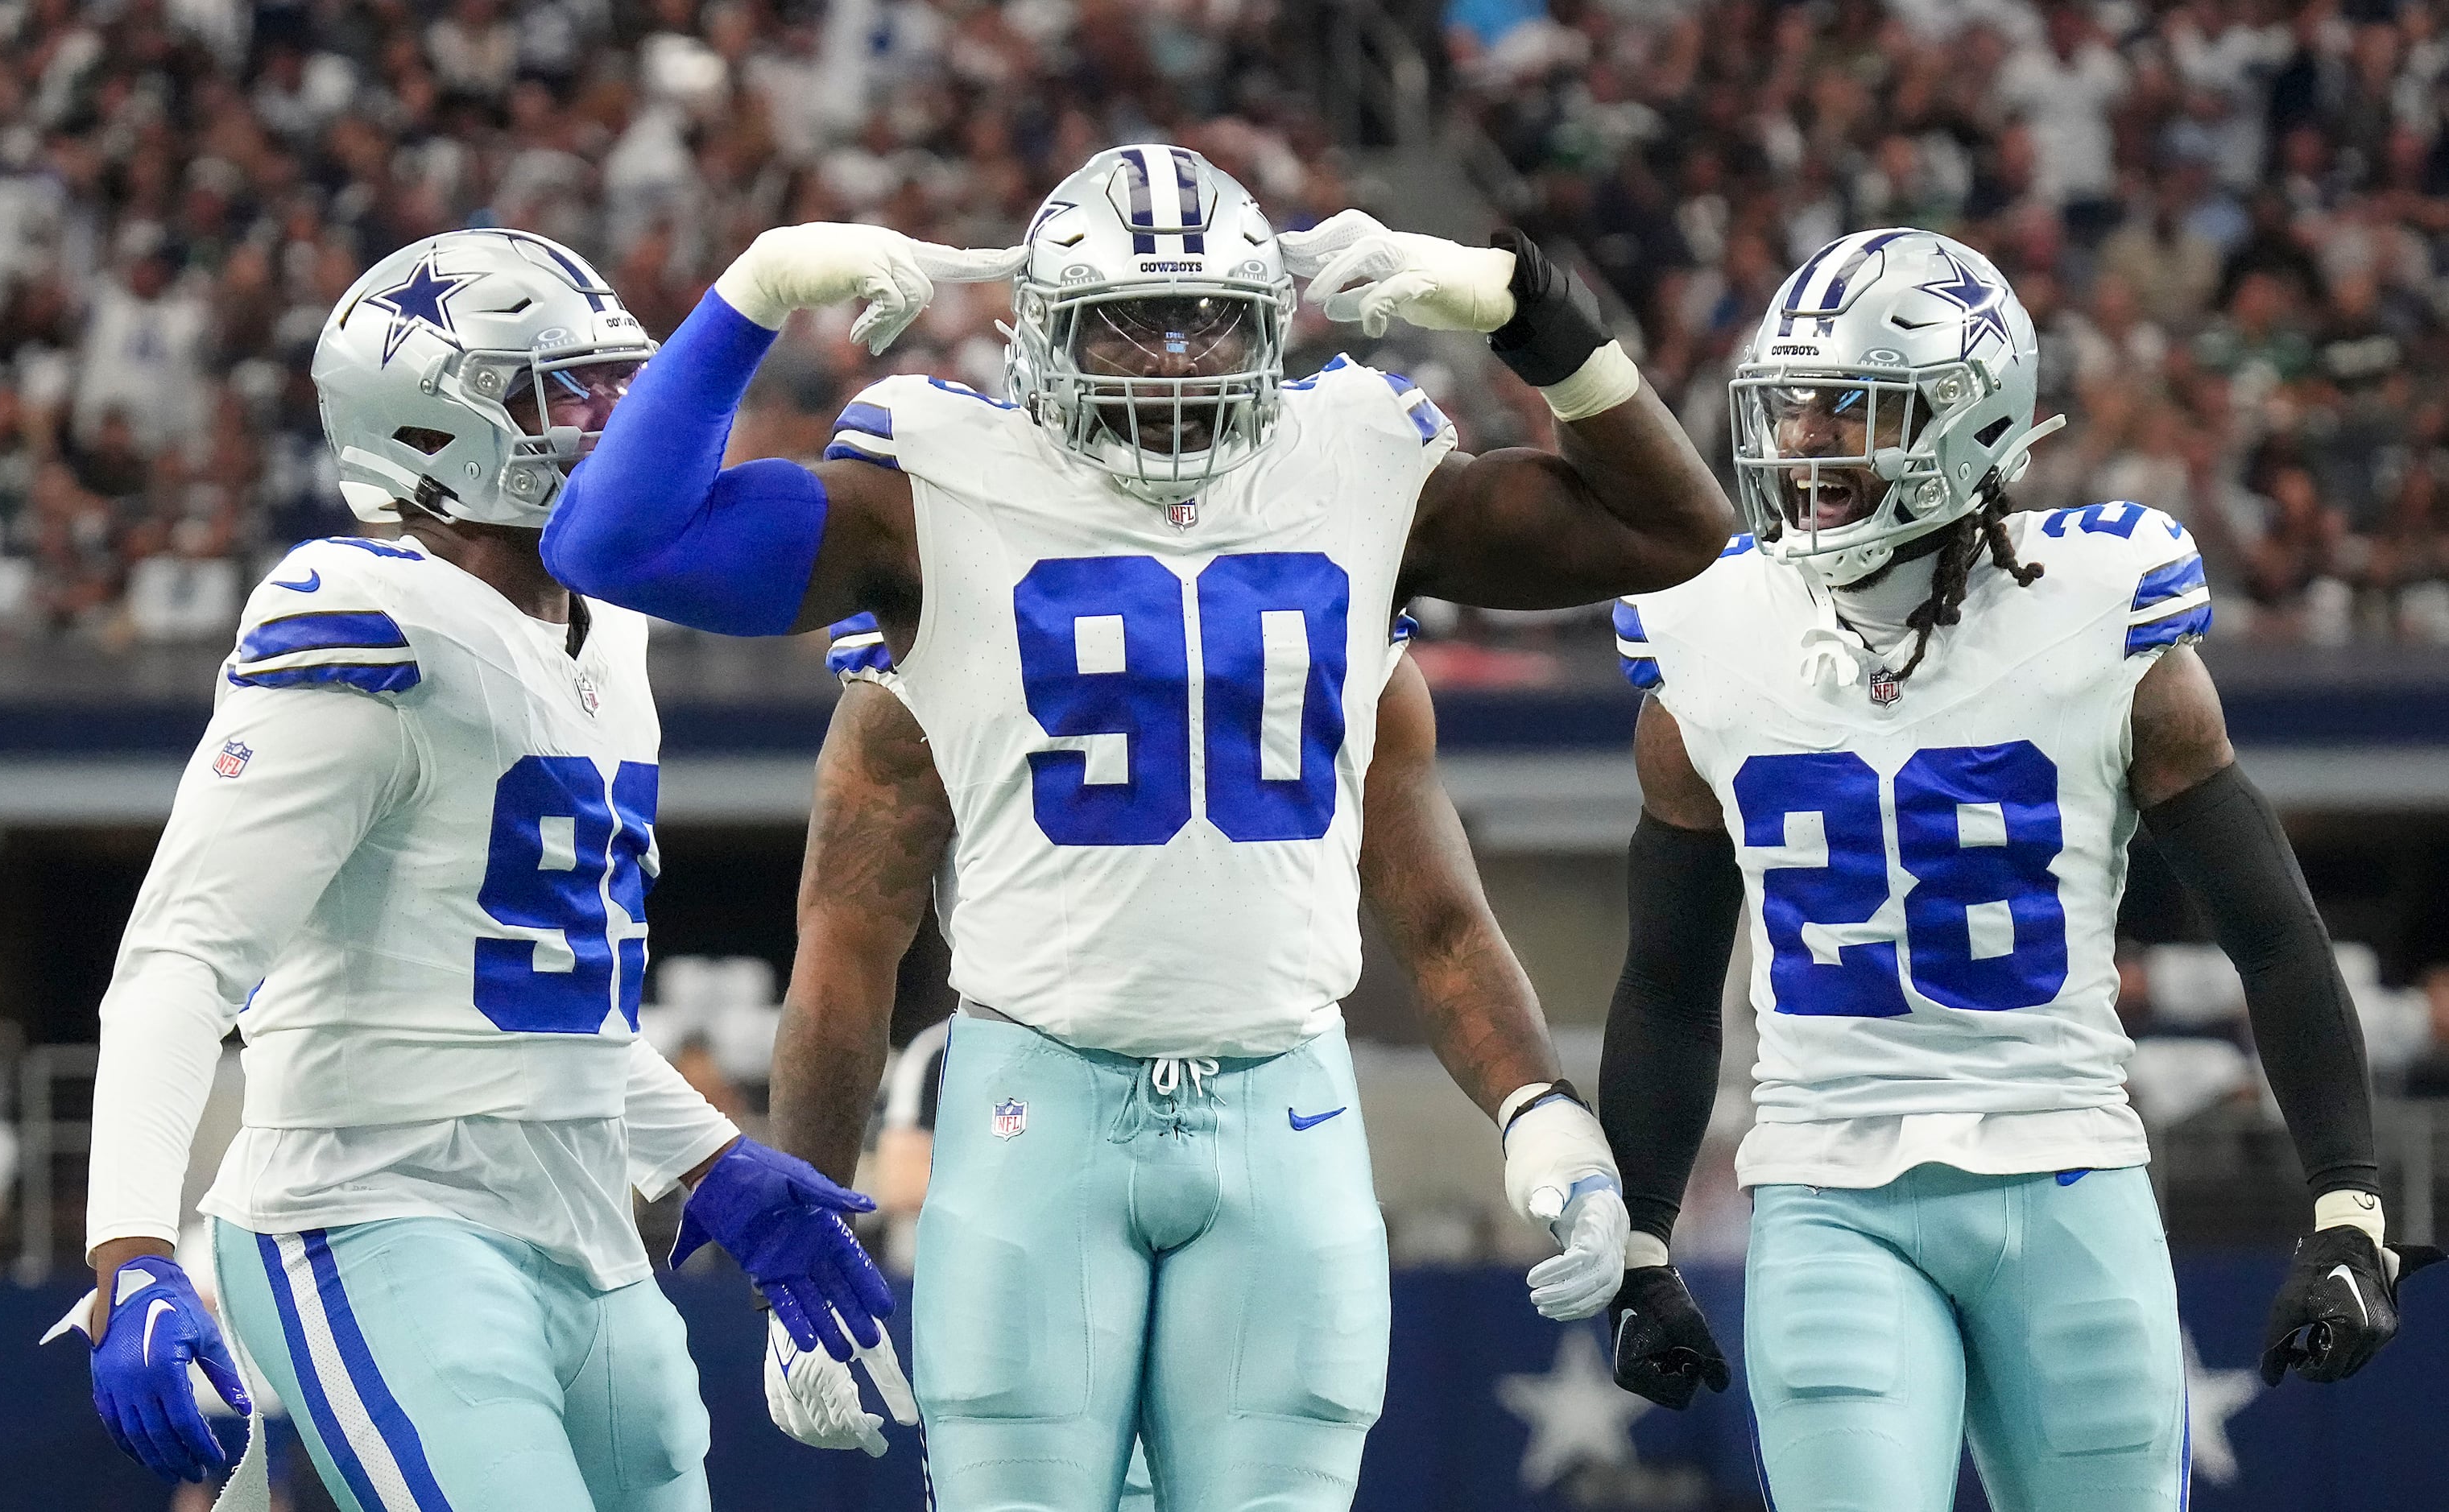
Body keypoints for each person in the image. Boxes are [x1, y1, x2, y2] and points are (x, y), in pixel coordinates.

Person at [541, 144, 1735, 1509]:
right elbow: (612, 544)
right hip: (1033, 1106)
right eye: (1126, 319)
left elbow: (1675, 526)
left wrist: (1522, 304)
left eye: (1206, 318)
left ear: (1267, 325)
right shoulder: (932, 491)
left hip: (1282, 1097)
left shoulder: (1354, 469)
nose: (1169, 357)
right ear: (1039, 331)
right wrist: (753, 294)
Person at [50, 229, 901, 1511]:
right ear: (432, 433)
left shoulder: (611, 628)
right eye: (570, 390)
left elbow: (539, 999)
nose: (621, 418)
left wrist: (709, 1159)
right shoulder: (364, 614)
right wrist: (128, 1246)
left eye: (623, 380)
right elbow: (180, 958)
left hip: (579, 1227)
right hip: (371, 1210)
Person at [1592, 227, 2441, 1510]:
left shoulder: (2096, 608)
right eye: (1793, 409)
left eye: (1847, 409)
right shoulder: (1706, 634)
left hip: (2063, 1175)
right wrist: (1643, 1238)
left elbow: (2273, 935)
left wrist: (2345, 1204)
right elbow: (1664, 982)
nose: (1805, 446)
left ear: (1963, 419)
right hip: (1829, 1193)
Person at [759, 608, 1576, 1502]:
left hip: (1278, 1094)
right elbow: (846, 940)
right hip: (1041, 1099)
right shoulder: (952, 576)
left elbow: (1445, 926)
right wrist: (796, 1249)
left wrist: (1542, 1110)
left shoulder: (1345, 562)